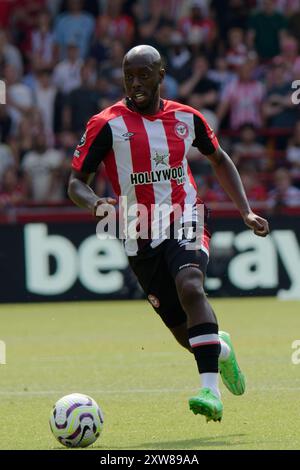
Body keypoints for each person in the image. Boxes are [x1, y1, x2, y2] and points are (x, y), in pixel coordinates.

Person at [68, 45, 269, 423]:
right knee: (185, 335)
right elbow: (76, 183)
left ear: (161, 75)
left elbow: (219, 159)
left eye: (144, 75)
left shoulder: (187, 118)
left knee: (191, 285)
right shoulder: (106, 124)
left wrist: (245, 210)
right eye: (129, 76)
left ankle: (209, 393)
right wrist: (96, 204)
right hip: (137, 231)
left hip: (184, 215)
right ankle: (221, 352)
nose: (136, 83)